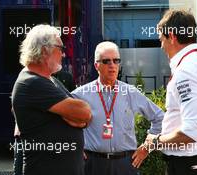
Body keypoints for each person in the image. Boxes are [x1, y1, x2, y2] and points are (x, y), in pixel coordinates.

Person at [144, 9, 197, 175]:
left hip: (186, 166)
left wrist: (156, 141)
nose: (161, 46)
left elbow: (191, 131)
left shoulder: (186, 70)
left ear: (172, 36)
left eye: (161, 40)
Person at [71, 41, 164, 175]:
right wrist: (75, 146)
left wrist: (147, 147)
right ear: (97, 65)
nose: (112, 66)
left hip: (125, 164)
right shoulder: (80, 94)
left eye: (116, 61)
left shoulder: (130, 92)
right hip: (93, 164)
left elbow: (160, 117)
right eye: (106, 61)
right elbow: (62, 124)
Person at [11, 24, 92, 175]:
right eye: (61, 48)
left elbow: (85, 117)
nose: (64, 54)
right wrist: (75, 117)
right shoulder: (31, 82)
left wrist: (76, 118)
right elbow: (84, 112)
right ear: (44, 50)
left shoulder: (50, 80)